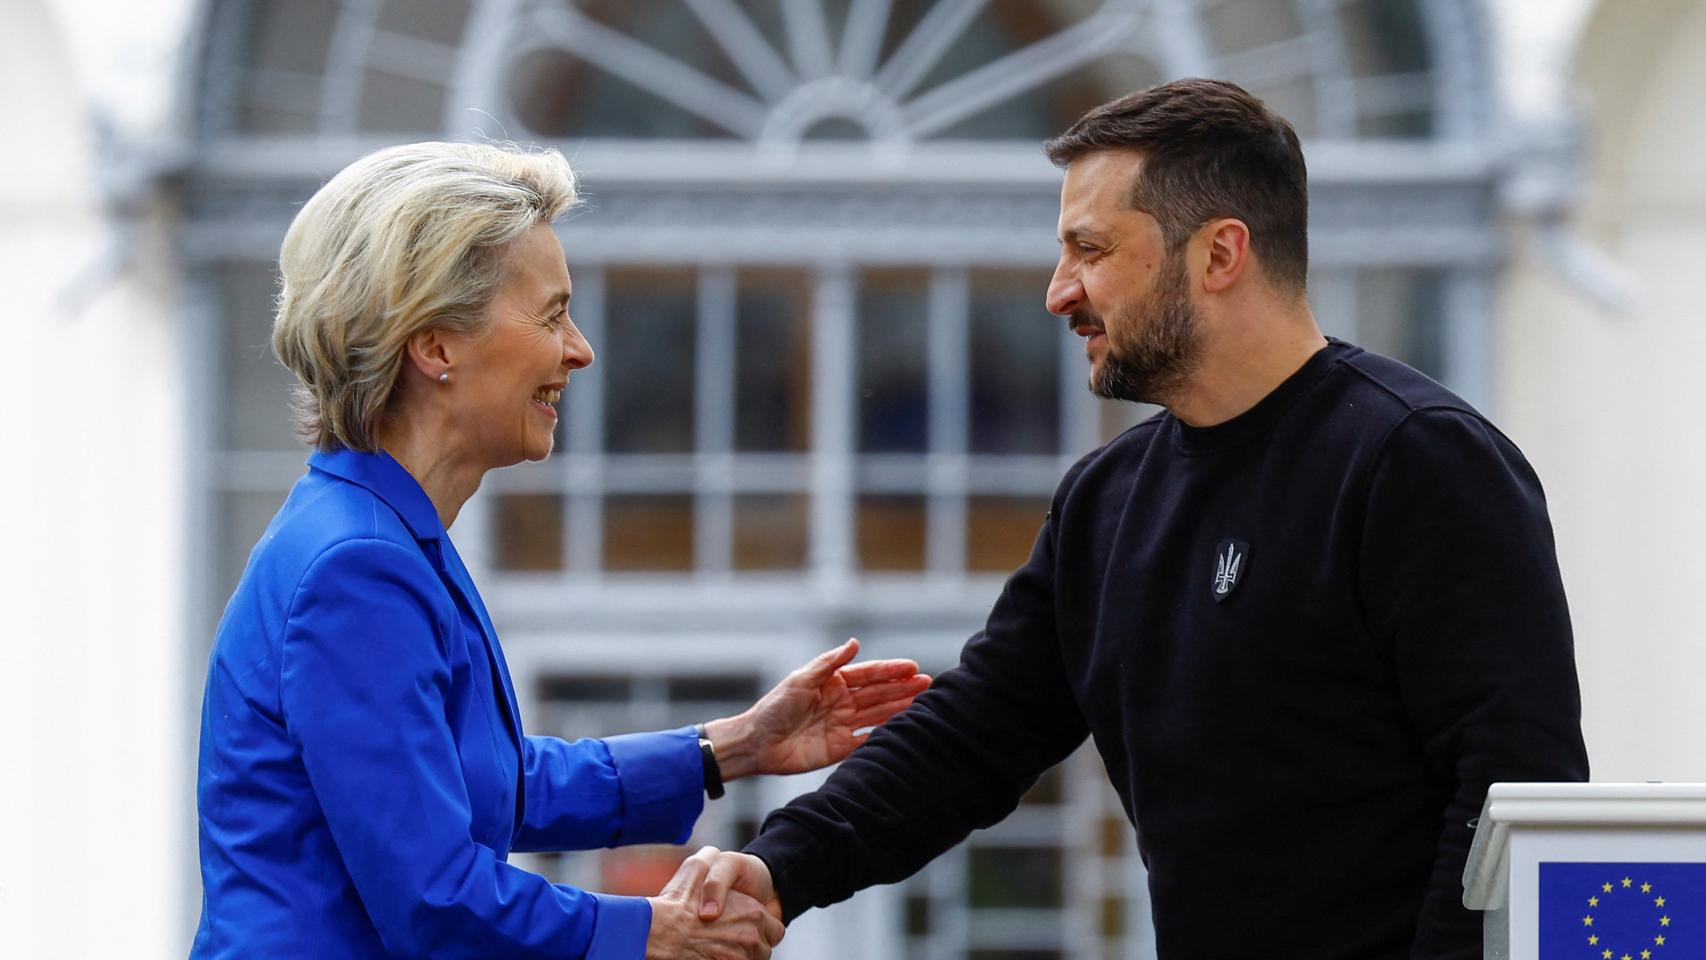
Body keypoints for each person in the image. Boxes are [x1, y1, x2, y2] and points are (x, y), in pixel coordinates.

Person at [694, 79, 1590, 959]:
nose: (1058, 291)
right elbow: (971, 737)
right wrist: (774, 870)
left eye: (1090, 250)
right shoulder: (1107, 502)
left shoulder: (1416, 460)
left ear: (1219, 254)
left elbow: (1515, 787)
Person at [191, 141, 931, 960]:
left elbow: (490, 782)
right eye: (551, 315)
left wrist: (733, 748)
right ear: (434, 345)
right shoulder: (356, 568)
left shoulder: (377, 539)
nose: (578, 350)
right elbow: (433, 899)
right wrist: (652, 931)